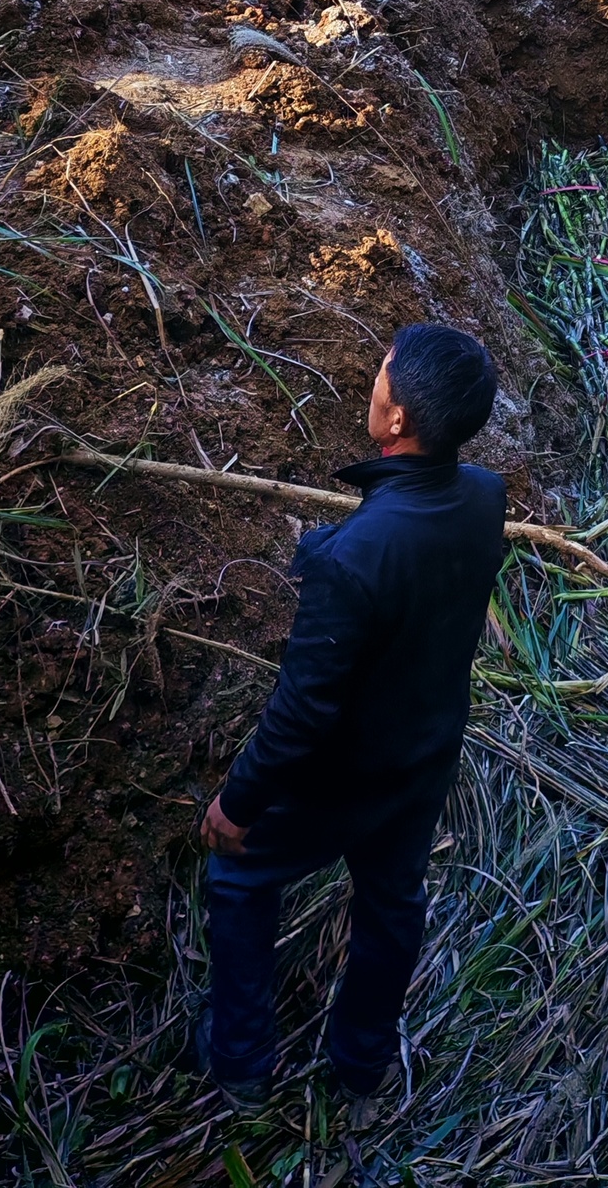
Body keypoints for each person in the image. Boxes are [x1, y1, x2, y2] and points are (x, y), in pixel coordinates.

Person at [198, 321, 505, 1113]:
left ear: (397, 420)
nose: (373, 382)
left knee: (237, 877)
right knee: (392, 905)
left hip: (344, 775)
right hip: (425, 759)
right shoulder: (483, 498)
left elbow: (302, 710)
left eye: (381, 374)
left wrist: (238, 799)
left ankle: (239, 1064)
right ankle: (363, 1069)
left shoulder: (349, 556)